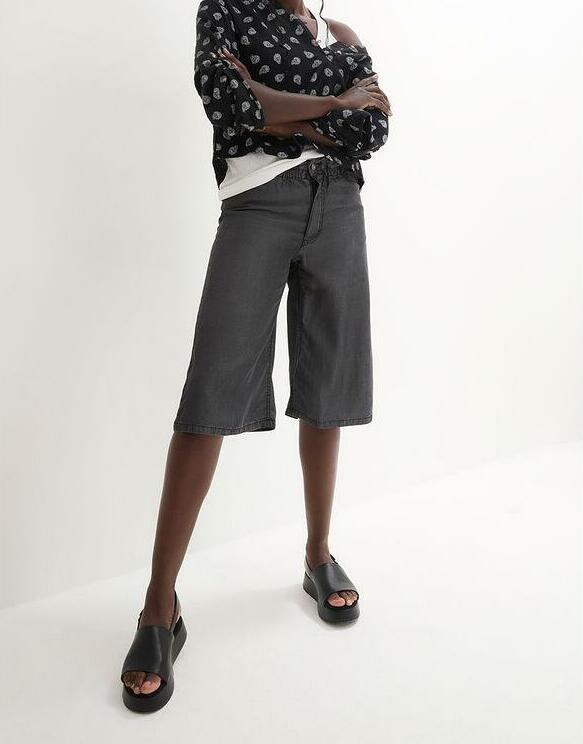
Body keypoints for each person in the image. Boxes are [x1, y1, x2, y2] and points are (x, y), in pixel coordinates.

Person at [120, 0, 391, 713]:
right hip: (258, 205)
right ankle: (159, 607)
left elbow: (373, 129)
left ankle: (317, 554)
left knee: (327, 387)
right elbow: (229, 104)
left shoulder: (340, 33)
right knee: (209, 395)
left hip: (340, 206)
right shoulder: (227, 10)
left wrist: (282, 107)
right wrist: (334, 104)